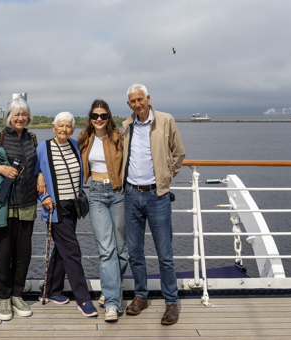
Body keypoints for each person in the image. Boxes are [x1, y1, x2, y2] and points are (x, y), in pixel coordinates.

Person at [121, 84, 185, 325]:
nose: (137, 104)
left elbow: (179, 154)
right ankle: (141, 295)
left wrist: (166, 177)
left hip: (157, 196)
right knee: (135, 252)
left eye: (140, 99)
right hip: (131, 195)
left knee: (164, 254)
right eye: (132, 101)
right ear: (129, 105)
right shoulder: (126, 126)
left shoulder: (166, 120)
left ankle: (171, 302)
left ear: (148, 98)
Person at [0, 98, 39, 321]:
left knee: (23, 255)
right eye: (16, 114)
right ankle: (4, 297)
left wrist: (40, 176)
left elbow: (37, 166)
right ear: (9, 116)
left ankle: (17, 295)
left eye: (24, 114)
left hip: (28, 204)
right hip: (3, 206)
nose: (20, 118)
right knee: (3, 254)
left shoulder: (32, 138)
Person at [35, 111, 98, 317]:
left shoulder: (74, 145)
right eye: (60, 126)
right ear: (53, 128)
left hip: (73, 205)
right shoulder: (43, 148)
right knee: (72, 251)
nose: (64, 129)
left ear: (73, 129)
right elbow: (34, 174)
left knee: (62, 249)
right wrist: (42, 191)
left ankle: (50, 291)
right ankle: (84, 299)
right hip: (55, 207)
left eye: (68, 126)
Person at [78, 99, 127, 322]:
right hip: (96, 193)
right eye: (95, 116)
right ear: (91, 118)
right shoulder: (84, 138)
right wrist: (41, 174)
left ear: (109, 117)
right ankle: (113, 303)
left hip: (119, 194)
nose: (99, 119)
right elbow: (64, 154)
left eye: (103, 115)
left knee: (122, 251)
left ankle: (109, 290)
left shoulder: (120, 137)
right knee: (106, 249)